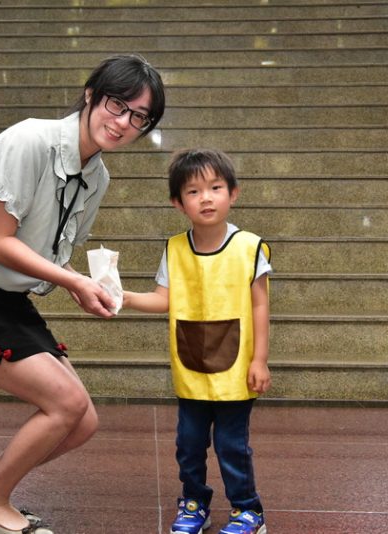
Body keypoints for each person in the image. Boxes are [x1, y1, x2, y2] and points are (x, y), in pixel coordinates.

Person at [0, 54, 165, 534]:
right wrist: (72, 281)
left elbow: (49, 252)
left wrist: (80, 285)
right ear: (91, 95)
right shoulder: (30, 140)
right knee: (66, 404)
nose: (122, 123)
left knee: (83, 421)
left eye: (139, 117)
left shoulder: (98, 177)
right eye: (117, 105)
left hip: (7, 294)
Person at [122, 148, 271, 534]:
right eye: (193, 191)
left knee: (231, 444)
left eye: (215, 188)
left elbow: (259, 305)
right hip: (191, 366)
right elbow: (163, 299)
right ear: (178, 202)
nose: (206, 198)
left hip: (236, 367)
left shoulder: (250, 247)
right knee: (188, 443)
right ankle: (194, 503)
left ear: (233, 193)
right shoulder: (174, 248)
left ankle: (247, 509)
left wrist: (259, 360)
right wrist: (124, 297)